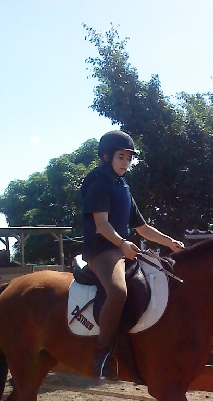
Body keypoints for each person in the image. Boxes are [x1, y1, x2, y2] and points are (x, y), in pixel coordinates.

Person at [81, 130, 184, 379]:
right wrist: (123, 243)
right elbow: (102, 225)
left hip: (122, 248)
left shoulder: (123, 186)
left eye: (128, 158)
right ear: (106, 157)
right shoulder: (97, 181)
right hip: (102, 250)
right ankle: (103, 353)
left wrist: (170, 242)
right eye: (121, 157)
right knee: (118, 291)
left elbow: (142, 227)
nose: (126, 162)